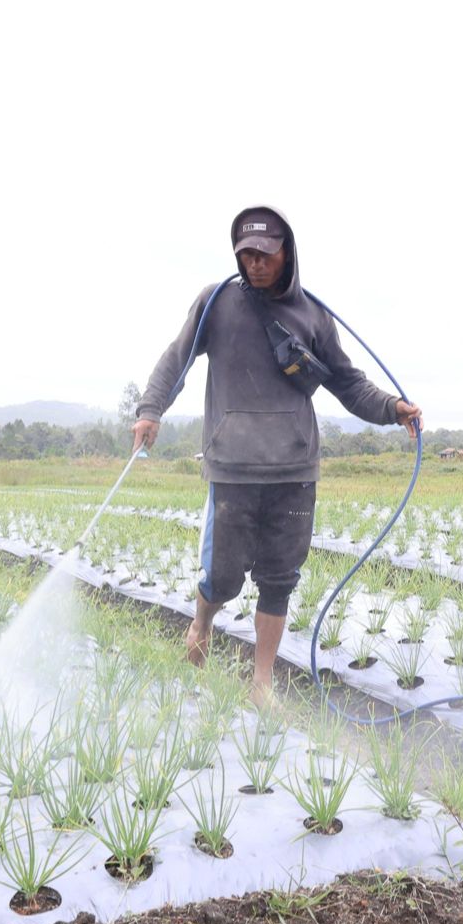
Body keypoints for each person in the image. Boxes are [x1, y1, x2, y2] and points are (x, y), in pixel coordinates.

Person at [132, 206, 420, 706]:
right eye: (246, 254)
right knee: (221, 577)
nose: (255, 264)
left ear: (287, 253)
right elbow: (176, 357)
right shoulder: (216, 302)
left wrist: (392, 409)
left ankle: (261, 681)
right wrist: (150, 409)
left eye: (265, 254)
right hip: (232, 468)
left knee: (279, 578)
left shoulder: (312, 315)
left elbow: (347, 382)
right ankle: (202, 623)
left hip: (294, 469)